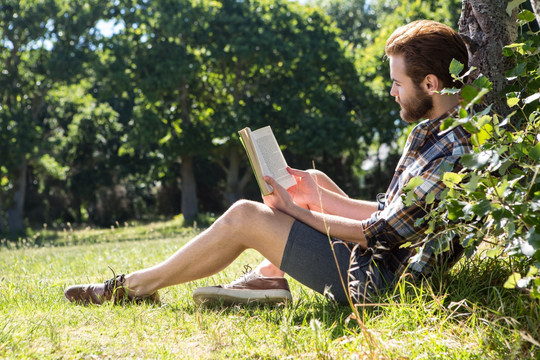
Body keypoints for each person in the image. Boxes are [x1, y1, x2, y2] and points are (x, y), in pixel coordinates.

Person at [64, 19, 472, 306]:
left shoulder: (453, 152)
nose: (392, 92)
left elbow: (377, 234)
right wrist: (314, 196)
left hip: (382, 282)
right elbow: (393, 215)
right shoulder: (433, 131)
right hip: (385, 256)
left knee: (246, 216)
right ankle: (269, 277)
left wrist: (297, 211)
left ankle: (134, 287)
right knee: (312, 179)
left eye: (397, 83)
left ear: (430, 84)